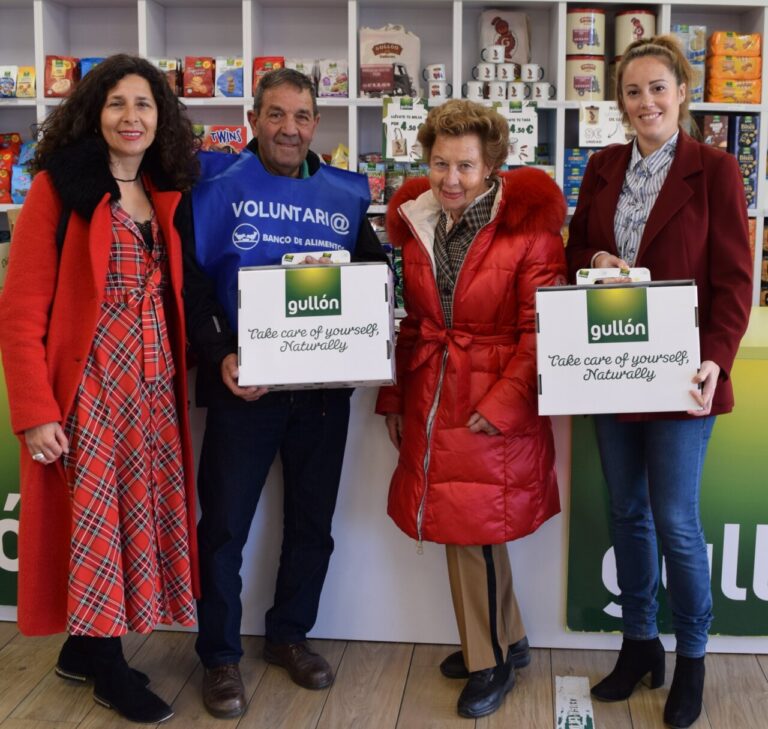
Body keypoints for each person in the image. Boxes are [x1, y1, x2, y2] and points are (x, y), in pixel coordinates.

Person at [0, 55, 200, 723]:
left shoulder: (164, 190)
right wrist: (33, 411)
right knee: (99, 527)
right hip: (89, 390)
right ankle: (108, 666)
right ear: (95, 112)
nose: (132, 116)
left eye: (144, 104)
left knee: (131, 522)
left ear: (160, 117)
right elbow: (22, 309)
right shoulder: (60, 190)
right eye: (117, 103)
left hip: (152, 388)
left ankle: (83, 649)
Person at [183, 67, 387, 719]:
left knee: (311, 526)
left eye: (302, 116)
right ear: (252, 117)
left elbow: (374, 278)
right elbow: (192, 289)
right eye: (276, 114)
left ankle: (289, 635)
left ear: (317, 123)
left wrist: (365, 340)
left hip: (321, 395)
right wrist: (221, 356)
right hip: (245, 390)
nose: (289, 128)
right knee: (222, 529)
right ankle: (218, 656)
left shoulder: (345, 195)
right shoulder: (213, 187)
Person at [566, 36, 753, 729]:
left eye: (657, 88)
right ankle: (639, 643)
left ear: (681, 92)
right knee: (627, 512)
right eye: (633, 92)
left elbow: (735, 279)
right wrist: (598, 256)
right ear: (620, 102)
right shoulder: (604, 165)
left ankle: (693, 658)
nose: (646, 102)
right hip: (612, 364)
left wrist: (717, 357)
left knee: (675, 519)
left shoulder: (716, 168)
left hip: (681, 373)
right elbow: (574, 249)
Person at [375, 99, 565, 719]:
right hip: (436, 390)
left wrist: (505, 401)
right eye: (438, 163)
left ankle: (488, 664)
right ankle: (506, 639)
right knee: (473, 529)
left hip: (490, 399)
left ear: (491, 166)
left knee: (470, 532)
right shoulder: (420, 221)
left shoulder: (528, 230)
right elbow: (413, 325)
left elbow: (543, 329)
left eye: (464, 166)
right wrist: (397, 395)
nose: (450, 179)